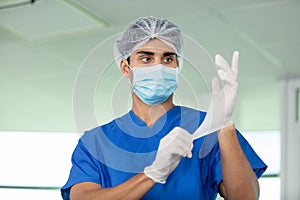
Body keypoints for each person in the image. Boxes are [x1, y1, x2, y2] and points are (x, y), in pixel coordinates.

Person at [61, 16, 267, 200]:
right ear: (125, 67)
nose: (158, 67)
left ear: (177, 66)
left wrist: (226, 127)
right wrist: (153, 173)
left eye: (168, 59)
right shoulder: (96, 142)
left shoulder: (208, 127)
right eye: (146, 58)